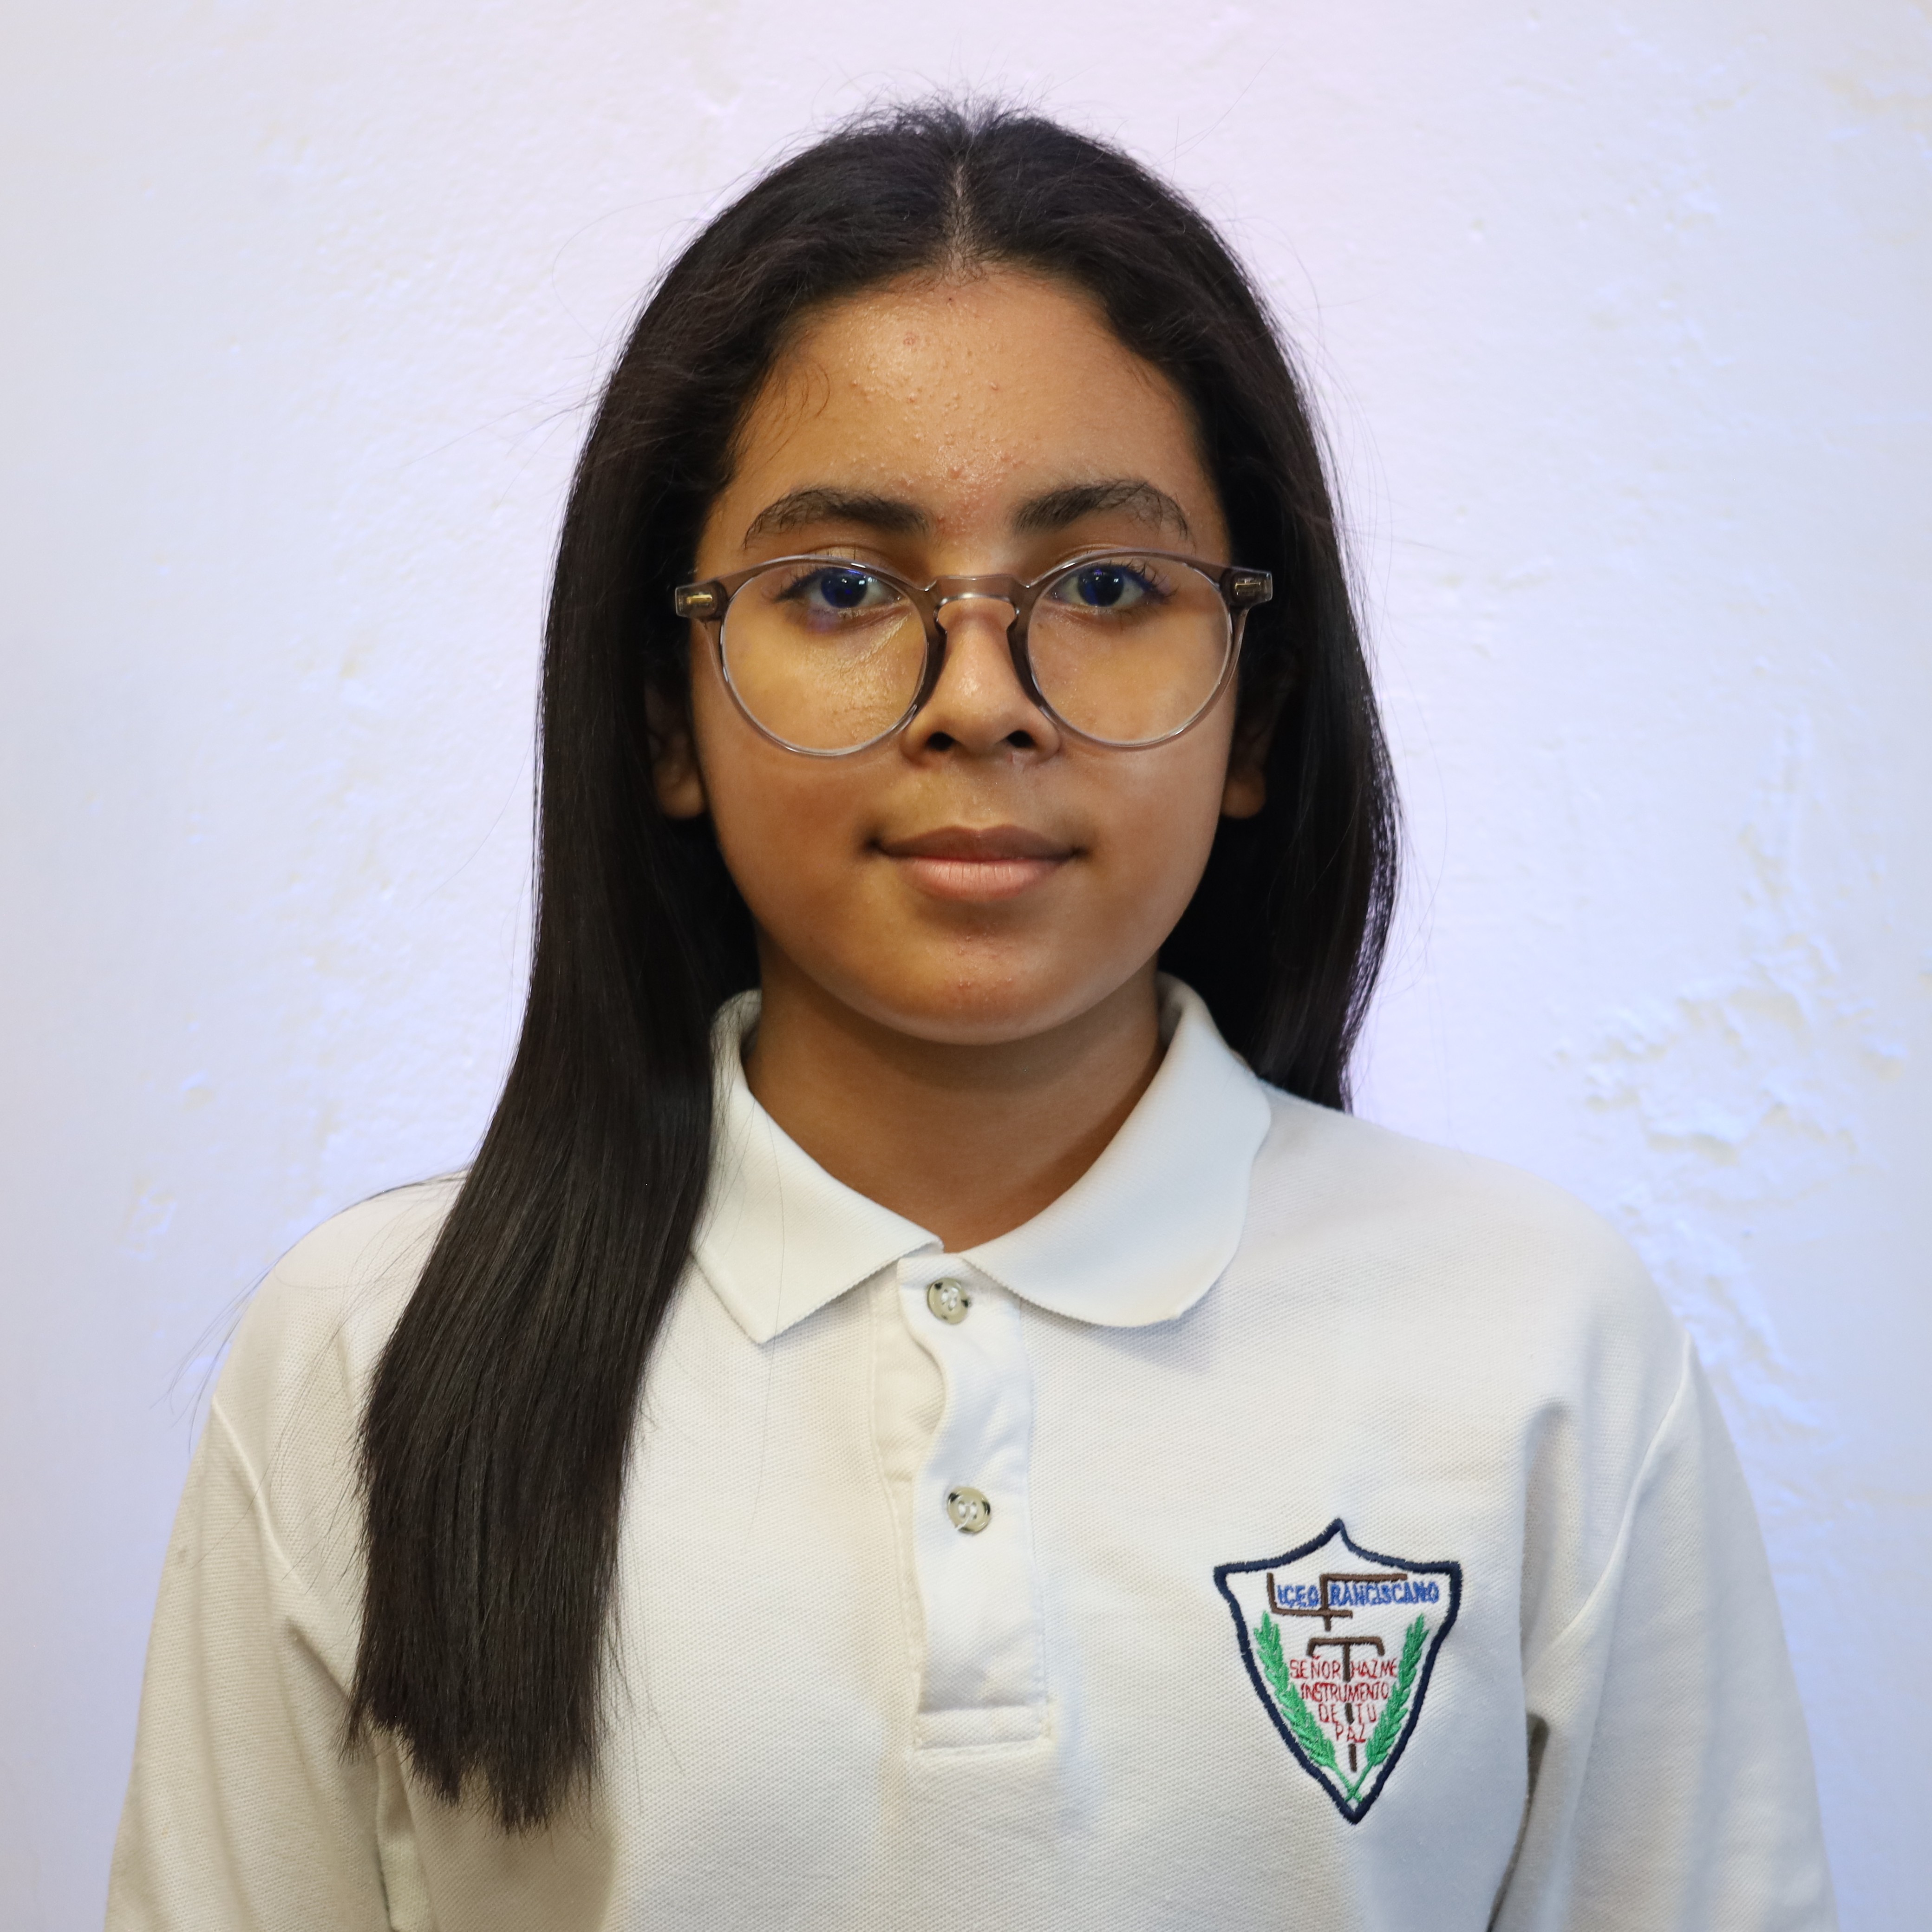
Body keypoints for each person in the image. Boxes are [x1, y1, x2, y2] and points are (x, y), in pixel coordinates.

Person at [106, 101, 1834, 1930]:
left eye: (1106, 585)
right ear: (661, 714)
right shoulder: (365, 1355)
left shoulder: (1537, 1340)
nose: (980, 699)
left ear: (1254, 714)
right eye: (843, 588)